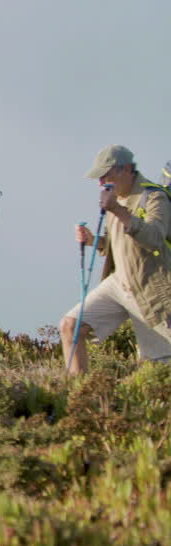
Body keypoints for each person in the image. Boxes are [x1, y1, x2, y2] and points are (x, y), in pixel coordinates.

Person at [60, 145, 171, 374]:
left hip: (151, 289)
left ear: (127, 169)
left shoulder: (155, 197)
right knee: (70, 327)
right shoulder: (116, 199)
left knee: (158, 367)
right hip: (118, 283)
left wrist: (118, 210)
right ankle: (76, 397)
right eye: (99, 177)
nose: (101, 183)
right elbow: (117, 244)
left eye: (105, 175)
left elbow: (155, 238)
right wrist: (94, 241)